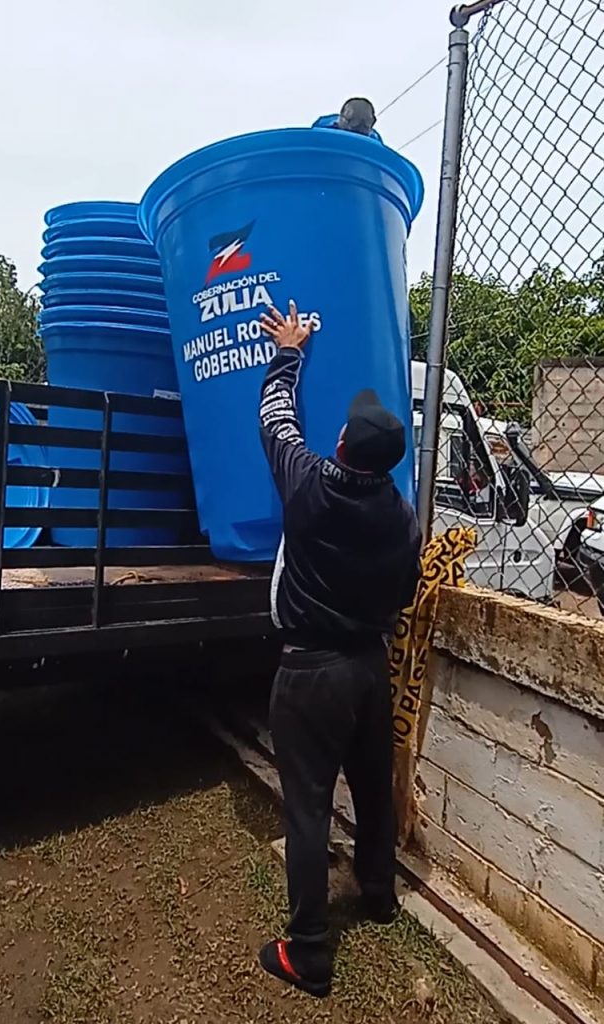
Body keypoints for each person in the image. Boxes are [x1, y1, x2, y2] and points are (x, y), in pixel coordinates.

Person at [256, 300, 422, 998]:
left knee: (307, 808)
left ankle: (308, 952)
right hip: (368, 671)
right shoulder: (403, 519)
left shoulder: (309, 484)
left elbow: (274, 418)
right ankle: (378, 895)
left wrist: (289, 351)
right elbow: (405, 594)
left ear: (344, 444)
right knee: (373, 792)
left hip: (310, 672)